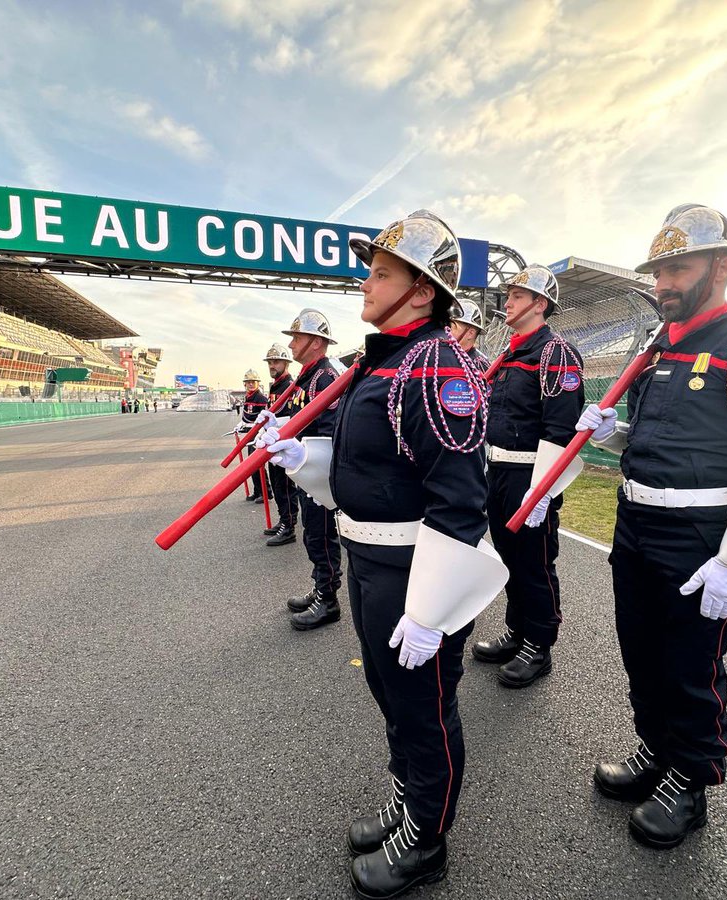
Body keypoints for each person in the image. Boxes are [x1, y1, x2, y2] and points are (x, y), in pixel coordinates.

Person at [258, 210, 507, 898]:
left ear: (422, 290)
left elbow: (459, 500)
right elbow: (369, 464)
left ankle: (427, 837)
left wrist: (431, 611)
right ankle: (408, 797)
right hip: (367, 556)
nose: (365, 286)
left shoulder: (438, 367)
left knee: (424, 705)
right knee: (390, 696)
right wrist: (304, 455)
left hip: (412, 567)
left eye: (381, 274)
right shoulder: (386, 360)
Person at [579, 204, 727, 849]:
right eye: (659, 273)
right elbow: (668, 440)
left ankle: (691, 780)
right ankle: (656, 752)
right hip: (635, 523)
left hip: (701, 536)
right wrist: (611, 434)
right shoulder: (656, 350)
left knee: (690, 665)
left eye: (677, 269)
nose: (663, 285)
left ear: (723, 266)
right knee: (640, 652)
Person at [472, 264, 585, 689]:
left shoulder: (554, 352)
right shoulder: (511, 353)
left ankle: (539, 644)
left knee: (535, 563)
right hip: (498, 470)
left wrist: (542, 491)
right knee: (510, 558)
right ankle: (518, 631)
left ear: (540, 304)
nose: (509, 302)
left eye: (518, 296)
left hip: (528, 473)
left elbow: (561, 430)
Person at [268, 308, 345, 631]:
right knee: (313, 535)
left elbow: (327, 430)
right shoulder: (308, 377)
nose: (293, 343)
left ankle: (328, 600)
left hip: (317, 469)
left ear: (315, 342)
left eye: (297, 337)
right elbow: (304, 420)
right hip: (304, 466)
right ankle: (319, 586)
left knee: (321, 535)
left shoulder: (325, 377)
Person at [262, 343, 301, 546]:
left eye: (276, 361)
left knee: (285, 487)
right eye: (269, 362)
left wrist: (273, 428)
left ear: (286, 363)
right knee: (278, 486)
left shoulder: (288, 385)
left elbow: (291, 417)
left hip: (283, 444)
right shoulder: (276, 385)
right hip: (274, 442)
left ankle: (289, 526)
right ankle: (285, 520)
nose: (272, 365)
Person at [237, 370, 269, 503]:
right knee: (251, 465)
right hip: (251, 434)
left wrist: (259, 431)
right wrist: (241, 424)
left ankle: (266, 492)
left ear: (257, 383)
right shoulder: (248, 397)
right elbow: (247, 416)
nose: (250, 385)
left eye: (253, 382)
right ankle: (257, 491)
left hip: (258, 434)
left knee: (257, 465)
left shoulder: (260, 398)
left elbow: (264, 418)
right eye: (248, 382)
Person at [448, 299, 489, 370]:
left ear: (470, 333)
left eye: (452, 327)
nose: (446, 331)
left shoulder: (480, 365)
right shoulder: (445, 356)